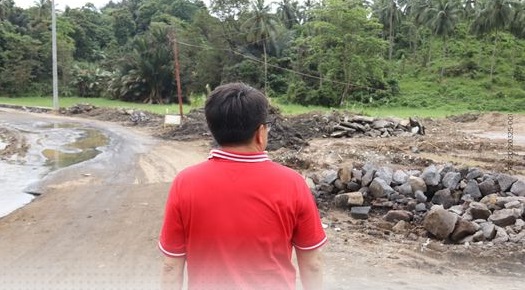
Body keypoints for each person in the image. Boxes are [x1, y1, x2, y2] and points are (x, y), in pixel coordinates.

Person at [158, 82, 327, 290]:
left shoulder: (185, 182)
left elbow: (171, 266)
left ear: (213, 130)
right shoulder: (293, 183)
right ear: (260, 133)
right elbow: (312, 265)